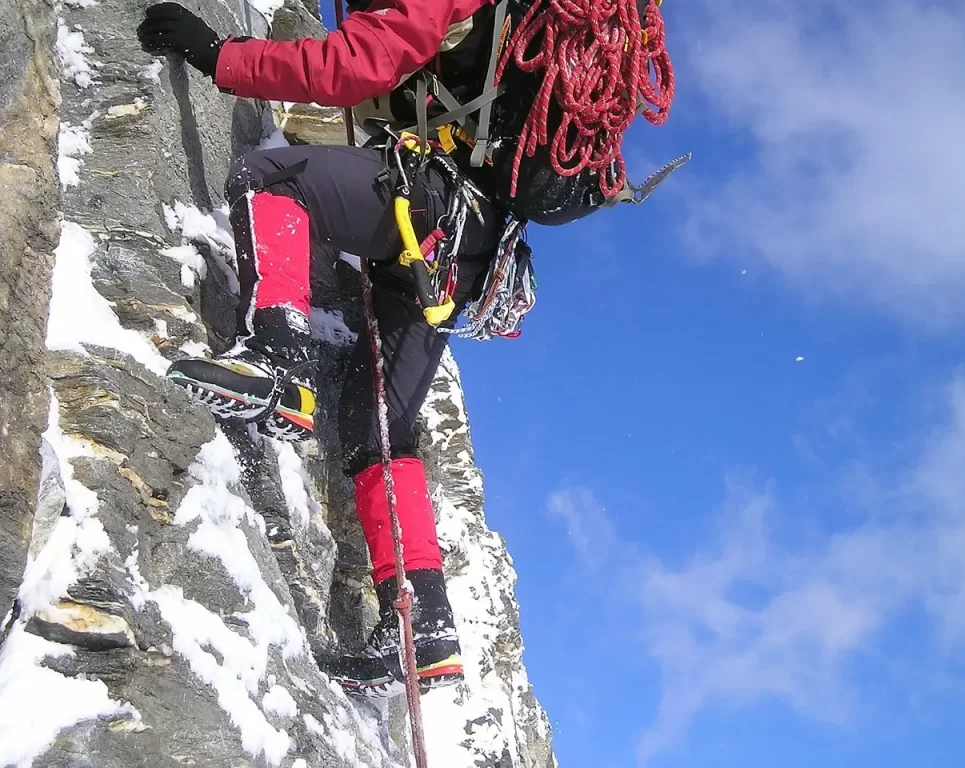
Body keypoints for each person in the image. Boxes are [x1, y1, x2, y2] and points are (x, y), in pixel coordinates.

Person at [137, 0, 673, 697]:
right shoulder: (548, 23)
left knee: (273, 183)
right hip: (471, 249)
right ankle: (424, 624)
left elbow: (351, 64)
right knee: (379, 425)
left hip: (427, 202)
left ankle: (277, 360)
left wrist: (219, 56)